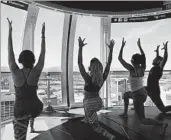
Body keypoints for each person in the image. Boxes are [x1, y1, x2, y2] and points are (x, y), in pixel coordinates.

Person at [118, 38, 168, 137]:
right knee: (126, 95)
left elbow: (120, 59)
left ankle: (161, 124)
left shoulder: (132, 69)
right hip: (143, 92)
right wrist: (140, 46)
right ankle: (125, 113)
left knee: (142, 120)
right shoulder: (143, 68)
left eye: (131, 59)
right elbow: (144, 57)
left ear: (132, 61)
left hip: (138, 96)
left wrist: (122, 46)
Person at [7, 18, 45, 140]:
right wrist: (43, 37)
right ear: (33, 60)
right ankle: (31, 125)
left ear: (20, 60)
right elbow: (42, 55)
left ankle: (27, 126)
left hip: (20, 111)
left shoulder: (15, 72)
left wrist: (10, 32)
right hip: (35, 108)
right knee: (33, 104)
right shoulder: (36, 72)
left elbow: (10, 52)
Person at [78, 37, 116, 140]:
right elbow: (109, 64)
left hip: (90, 104)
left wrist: (80, 47)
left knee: (95, 126)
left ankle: (110, 136)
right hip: (99, 103)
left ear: (91, 68)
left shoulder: (87, 79)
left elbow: (80, 64)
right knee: (84, 101)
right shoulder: (101, 79)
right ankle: (87, 118)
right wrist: (111, 50)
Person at [146, 42, 171, 114]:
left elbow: (165, 59)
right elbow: (159, 58)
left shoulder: (159, 68)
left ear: (158, 61)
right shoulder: (155, 67)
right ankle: (136, 106)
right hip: (148, 88)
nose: (153, 60)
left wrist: (166, 49)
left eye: (154, 59)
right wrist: (157, 52)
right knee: (137, 93)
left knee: (163, 109)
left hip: (154, 91)